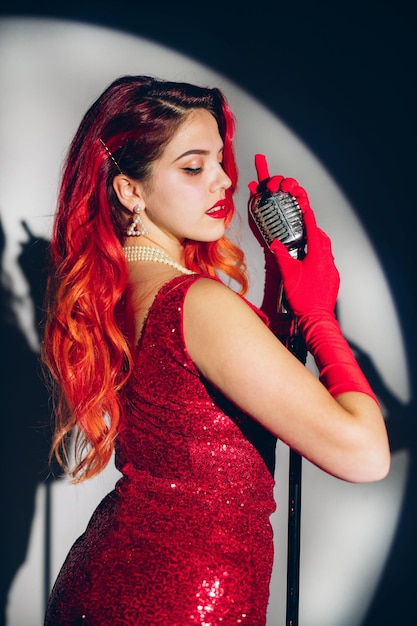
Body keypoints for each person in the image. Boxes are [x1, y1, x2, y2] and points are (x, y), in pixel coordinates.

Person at [41, 75, 390, 626]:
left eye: (221, 161)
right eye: (193, 166)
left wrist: (279, 293)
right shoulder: (196, 302)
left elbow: (221, 403)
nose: (224, 181)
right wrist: (319, 315)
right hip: (181, 599)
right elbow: (365, 454)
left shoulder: (124, 287)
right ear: (130, 189)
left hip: (106, 584)